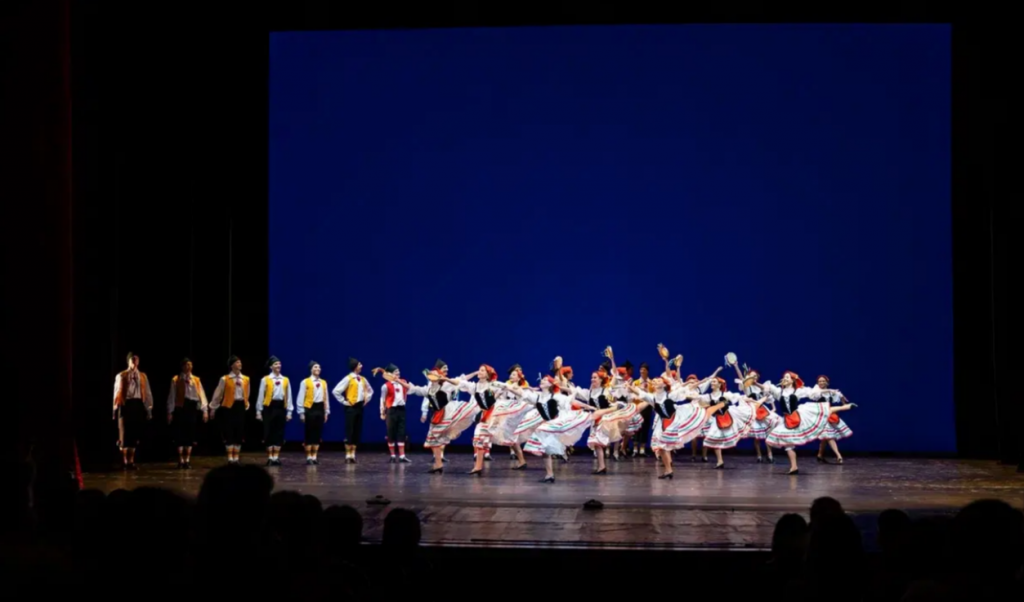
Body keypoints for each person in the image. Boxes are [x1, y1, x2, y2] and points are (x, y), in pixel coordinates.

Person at [761, 371, 856, 474]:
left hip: (797, 416)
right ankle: (794, 467)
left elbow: (814, 393)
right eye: (784, 377)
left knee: (822, 409)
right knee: (786, 444)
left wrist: (830, 390)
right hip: (787, 421)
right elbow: (766, 387)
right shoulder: (779, 391)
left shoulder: (798, 391)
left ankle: (845, 407)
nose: (785, 378)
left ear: (793, 380)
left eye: (787, 377)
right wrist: (753, 381)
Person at [400, 359, 480, 473]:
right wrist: (398, 381)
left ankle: (453, 432)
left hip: (448, 412)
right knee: (433, 441)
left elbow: (460, 380)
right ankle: (438, 464)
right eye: (431, 374)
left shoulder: (446, 385)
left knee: (440, 437)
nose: (432, 376)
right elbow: (413, 389)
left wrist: (474, 373)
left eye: (435, 374)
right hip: (437, 416)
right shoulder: (428, 389)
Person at [691, 376, 763, 468]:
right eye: (712, 382)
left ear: (719, 384)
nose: (712, 383)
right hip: (716, 420)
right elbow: (697, 398)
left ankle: (723, 456)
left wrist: (749, 399)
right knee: (714, 439)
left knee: (730, 434)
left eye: (714, 381)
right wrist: (685, 391)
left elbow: (738, 397)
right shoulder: (708, 396)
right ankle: (720, 461)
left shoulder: (725, 395)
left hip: (728, 416)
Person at [111, 352, 154, 469]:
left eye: (136, 360)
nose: (134, 362)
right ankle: (124, 462)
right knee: (124, 434)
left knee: (134, 433)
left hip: (137, 404)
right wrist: (114, 410)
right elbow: (116, 393)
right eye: (132, 360)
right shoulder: (121, 375)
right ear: (128, 361)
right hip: (125, 404)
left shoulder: (143, 376)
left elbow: (147, 393)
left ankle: (131, 462)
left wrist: (149, 409)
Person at [166, 357, 208, 469]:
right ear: (182, 367)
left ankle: (187, 460)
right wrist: (170, 412)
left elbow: (202, 394)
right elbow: (172, 396)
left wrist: (205, 410)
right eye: (186, 365)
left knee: (190, 433)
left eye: (190, 365)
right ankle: (181, 460)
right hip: (180, 407)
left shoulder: (196, 380)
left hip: (192, 407)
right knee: (180, 433)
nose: (189, 367)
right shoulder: (176, 379)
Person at [209, 356, 251, 464]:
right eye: (237, 362)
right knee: (229, 431)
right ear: (232, 365)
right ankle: (230, 458)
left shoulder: (245, 379)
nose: (240, 364)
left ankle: (236, 458)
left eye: (240, 362)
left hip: (240, 406)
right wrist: (213, 408)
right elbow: (218, 394)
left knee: (239, 431)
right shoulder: (225, 379)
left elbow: (247, 393)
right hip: (228, 407)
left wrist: (246, 403)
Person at [332, 357, 373, 464]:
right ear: (355, 366)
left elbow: (370, 391)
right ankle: (347, 454)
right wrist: (344, 401)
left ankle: (353, 454)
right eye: (359, 364)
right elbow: (336, 391)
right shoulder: (348, 378)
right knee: (349, 430)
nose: (361, 366)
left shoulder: (363, 379)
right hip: (351, 407)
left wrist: (366, 399)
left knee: (357, 430)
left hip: (359, 406)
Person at [256, 356, 293, 466]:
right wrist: (258, 411)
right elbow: (261, 395)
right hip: (269, 407)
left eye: (279, 364)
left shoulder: (285, 380)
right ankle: (270, 457)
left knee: (279, 432)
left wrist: (289, 411)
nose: (278, 366)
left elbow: (289, 396)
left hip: (280, 406)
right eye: (276, 364)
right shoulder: (265, 379)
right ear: (271, 367)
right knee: (269, 431)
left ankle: (276, 457)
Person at [374, 363, 412, 463]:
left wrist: (398, 381)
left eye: (398, 371)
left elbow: (408, 389)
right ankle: (392, 456)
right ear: (390, 373)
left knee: (401, 432)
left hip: (401, 410)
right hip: (391, 410)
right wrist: (382, 412)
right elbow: (382, 399)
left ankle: (402, 456)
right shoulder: (385, 386)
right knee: (391, 432)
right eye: (395, 371)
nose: (398, 373)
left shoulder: (403, 382)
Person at [295, 361, 330, 465]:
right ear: (311, 369)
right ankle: (308, 457)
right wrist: (301, 412)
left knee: (317, 433)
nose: (318, 369)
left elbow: (326, 397)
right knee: (309, 432)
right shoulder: (305, 382)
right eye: (315, 367)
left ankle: (314, 456)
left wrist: (326, 411)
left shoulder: (323, 382)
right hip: (310, 408)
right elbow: (301, 397)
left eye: (319, 367)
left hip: (320, 408)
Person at [815, 375, 852, 464]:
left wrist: (842, 397)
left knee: (826, 436)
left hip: (830, 415)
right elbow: (817, 393)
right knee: (829, 436)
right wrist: (832, 391)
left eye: (823, 381)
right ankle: (838, 455)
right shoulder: (816, 391)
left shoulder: (831, 393)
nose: (821, 382)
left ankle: (820, 455)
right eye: (820, 381)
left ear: (827, 382)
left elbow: (843, 402)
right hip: (821, 416)